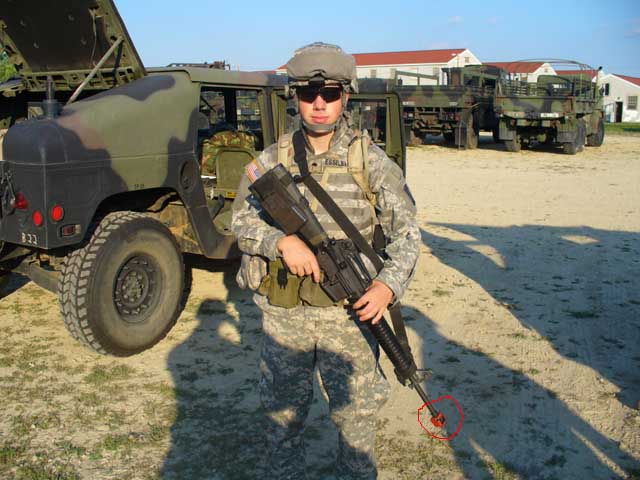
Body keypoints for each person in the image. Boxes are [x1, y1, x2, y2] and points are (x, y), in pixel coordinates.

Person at [231, 42, 420, 479]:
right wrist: (280, 242)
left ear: (345, 96)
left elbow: (407, 233)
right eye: (308, 93)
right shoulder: (272, 158)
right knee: (283, 416)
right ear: (294, 97)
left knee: (356, 419)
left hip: (348, 314)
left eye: (330, 93)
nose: (319, 104)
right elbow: (239, 220)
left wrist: (387, 286)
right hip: (286, 313)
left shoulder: (368, 160)